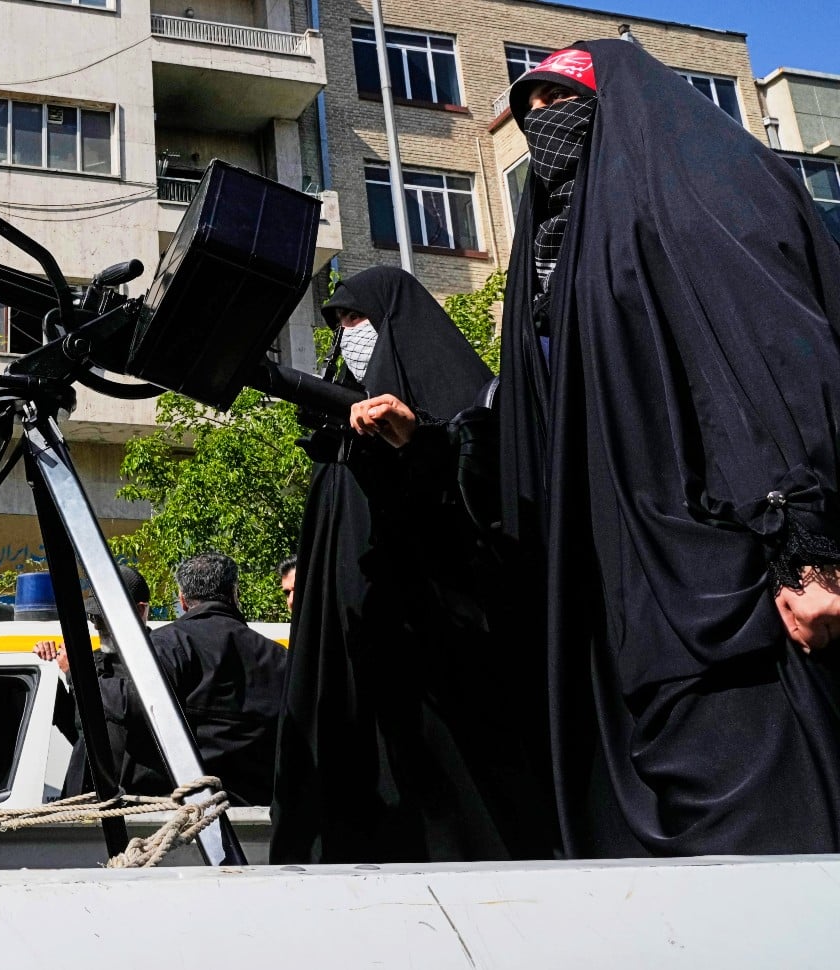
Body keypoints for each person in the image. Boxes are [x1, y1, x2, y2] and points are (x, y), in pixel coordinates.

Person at [351, 41, 840, 857]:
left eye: (559, 100)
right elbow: (533, 430)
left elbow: (769, 370)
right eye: (529, 108)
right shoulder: (560, 257)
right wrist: (429, 447)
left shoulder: (698, 199)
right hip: (621, 608)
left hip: (736, 593)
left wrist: (810, 551)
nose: (543, 122)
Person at [271, 266, 555, 866]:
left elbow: (492, 515)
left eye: (357, 318)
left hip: (441, 668)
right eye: (339, 323)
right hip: (355, 669)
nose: (349, 334)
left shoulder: (474, 405)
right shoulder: (338, 436)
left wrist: (416, 443)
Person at [145, 552, 288, 807]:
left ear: (183, 600)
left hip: (184, 817)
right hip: (263, 816)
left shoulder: (163, 648)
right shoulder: (279, 657)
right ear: (235, 594)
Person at [34, 564, 161, 797]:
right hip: (86, 802)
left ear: (141, 611)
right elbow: (80, 732)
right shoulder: (93, 661)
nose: (96, 624)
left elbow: (124, 713)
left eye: (104, 617)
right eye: (93, 616)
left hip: (138, 805)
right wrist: (46, 671)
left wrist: (76, 675)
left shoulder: (162, 662)